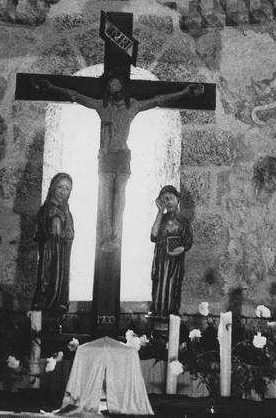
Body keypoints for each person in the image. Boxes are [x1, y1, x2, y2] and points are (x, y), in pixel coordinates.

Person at [32, 73, 203, 246]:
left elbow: (158, 100)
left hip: (122, 156)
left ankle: (116, 237)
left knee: (119, 198)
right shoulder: (102, 106)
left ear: (123, 87)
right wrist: (51, 87)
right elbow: (75, 96)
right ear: (107, 90)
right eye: (111, 86)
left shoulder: (132, 106)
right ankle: (106, 237)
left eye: (117, 84)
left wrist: (184, 93)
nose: (114, 89)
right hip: (106, 157)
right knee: (105, 197)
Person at [32, 172, 75, 311]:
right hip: (52, 254)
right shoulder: (51, 209)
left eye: (67, 188)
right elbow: (53, 232)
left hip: (62, 256)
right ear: (53, 188)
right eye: (60, 187)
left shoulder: (65, 209)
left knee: (59, 287)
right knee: (50, 285)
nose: (63, 192)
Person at [150, 185, 193, 316]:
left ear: (177, 199)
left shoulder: (183, 222)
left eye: (170, 198)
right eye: (164, 199)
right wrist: (159, 211)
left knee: (172, 289)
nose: (168, 202)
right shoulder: (161, 219)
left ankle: (171, 317)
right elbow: (153, 236)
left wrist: (182, 248)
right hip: (161, 260)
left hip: (175, 262)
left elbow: (188, 241)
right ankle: (158, 315)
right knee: (159, 289)